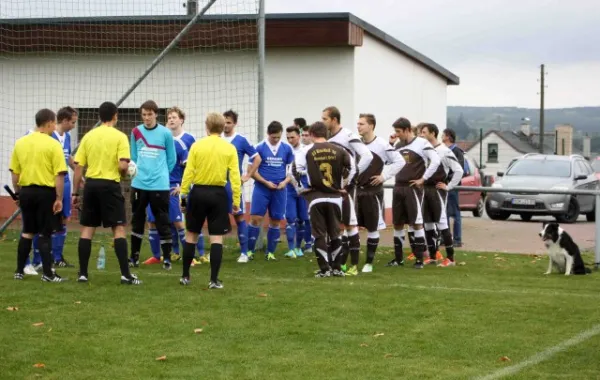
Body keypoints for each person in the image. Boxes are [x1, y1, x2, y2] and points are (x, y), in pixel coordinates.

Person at [72, 102, 141, 284]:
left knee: (87, 229)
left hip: (92, 186)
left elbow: (78, 167)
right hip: (110, 185)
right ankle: (125, 275)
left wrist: (75, 193)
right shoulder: (119, 137)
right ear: (115, 115)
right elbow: (122, 165)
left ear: (99, 116)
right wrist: (125, 173)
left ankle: (83, 274)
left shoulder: (88, 136)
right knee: (118, 228)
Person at [179, 112, 240, 288]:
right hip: (218, 195)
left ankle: (185, 276)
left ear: (206, 127)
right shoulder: (229, 148)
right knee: (216, 238)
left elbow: (188, 173)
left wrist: (183, 199)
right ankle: (213, 280)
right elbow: (235, 177)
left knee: (191, 234)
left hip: (198, 193)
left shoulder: (197, 146)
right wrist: (236, 200)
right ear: (222, 127)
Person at [10, 109, 68, 282]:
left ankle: (19, 271)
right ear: (50, 122)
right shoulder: (53, 144)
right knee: (44, 233)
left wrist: (18, 194)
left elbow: (15, 174)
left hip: (26, 191)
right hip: (45, 193)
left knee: (27, 231)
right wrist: (58, 198)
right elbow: (59, 175)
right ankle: (48, 274)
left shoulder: (21, 143)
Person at [294, 121, 352, 277]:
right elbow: (352, 168)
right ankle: (337, 268)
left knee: (319, 233)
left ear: (312, 135)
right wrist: (343, 185)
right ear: (326, 134)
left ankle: (325, 269)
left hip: (316, 197)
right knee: (335, 232)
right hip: (335, 197)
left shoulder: (306, 150)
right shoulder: (339, 150)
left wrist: (301, 189)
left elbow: (295, 170)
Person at [353, 113, 405, 274]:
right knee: (353, 227)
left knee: (372, 227)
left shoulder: (381, 144)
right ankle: (351, 261)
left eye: (362, 124)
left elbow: (400, 161)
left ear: (371, 126)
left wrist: (384, 176)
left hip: (373, 192)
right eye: (358, 123)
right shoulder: (357, 144)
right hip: (357, 191)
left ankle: (369, 262)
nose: (358, 126)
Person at [322, 106, 373, 269]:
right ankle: (339, 263)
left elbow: (367, 155)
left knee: (350, 225)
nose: (322, 122)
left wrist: (352, 175)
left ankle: (354, 265)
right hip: (332, 188)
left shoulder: (348, 135)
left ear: (334, 120)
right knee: (335, 225)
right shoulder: (326, 138)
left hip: (347, 188)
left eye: (325, 119)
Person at [387, 117, 441, 269]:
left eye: (398, 132)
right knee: (397, 223)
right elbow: (388, 162)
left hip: (413, 189)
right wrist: (390, 144)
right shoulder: (398, 144)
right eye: (395, 131)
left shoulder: (421, 143)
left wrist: (423, 179)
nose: (396, 134)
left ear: (407, 130)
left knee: (416, 223)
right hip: (398, 187)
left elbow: (436, 160)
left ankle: (419, 260)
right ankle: (398, 259)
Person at [129, 100, 176, 269]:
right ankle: (134, 257)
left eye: (150, 114)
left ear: (156, 114)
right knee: (137, 220)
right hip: (139, 184)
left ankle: (167, 258)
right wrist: (138, 174)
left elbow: (172, 159)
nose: (147, 118)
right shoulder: (135, 132)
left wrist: (161, 174)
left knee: (162, 221)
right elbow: (133, 157)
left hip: (159, 186)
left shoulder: (166, 133)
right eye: (144, 115)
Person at [144, 107, 190, 265]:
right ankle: (157, 256)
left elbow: (189, 168)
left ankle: (191, 257)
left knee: (179, 222)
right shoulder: (156, 142)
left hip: (174, 188)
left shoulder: (183, 143)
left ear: (181, 120)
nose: (171, 120)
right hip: (154, 187)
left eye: (174, 117)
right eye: (169, 117)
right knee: (152, 221)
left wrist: (183, 187)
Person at [247, 121, 295, 260]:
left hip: (280, 190)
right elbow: (251, 171)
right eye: (273, 137)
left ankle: (270, 253)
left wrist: (284, 183)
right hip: (262, 188)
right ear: (268, 134)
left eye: (278, 137)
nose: (276, 140)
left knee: (276, 220)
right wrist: (265, 182)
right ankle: (250, 251)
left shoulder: (287, 149)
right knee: (255, 219)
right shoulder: (258, 147)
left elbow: (290, 171)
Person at [420, 123, 463, 267]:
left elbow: (458, 170)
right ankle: (433, 256)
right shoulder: (423, 150)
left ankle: (450, 258)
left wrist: (449, 186)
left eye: (424, 132)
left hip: (437, 190)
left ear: (433, 133)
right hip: (425, 190)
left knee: (442, 222)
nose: (421, 135)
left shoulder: (444, 151)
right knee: (428, 223)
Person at [221, 109, 261, 264]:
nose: (225, 125)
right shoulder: (217, 138)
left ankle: (244, 252)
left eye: (229, 122)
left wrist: (247, 176)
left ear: (235, 123)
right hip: (217, 184)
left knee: (238, 216)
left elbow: (257, 158)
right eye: (224, 121)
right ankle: (217, 250)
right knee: (217, 217)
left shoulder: (241, 140)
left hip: (234, 185)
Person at [50, 106, 78, 268]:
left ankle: (58, 257)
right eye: (73, 122)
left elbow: (68, 158)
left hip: (66, 182)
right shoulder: (48, 135)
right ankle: (43, 257)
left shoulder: (66, 136)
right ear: (65, 120)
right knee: (49, 219)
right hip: (52, 184)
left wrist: (80, 175)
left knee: (64, 218)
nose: (74, 125)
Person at [283, 125, 309, 258]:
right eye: (287, 137)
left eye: (292, 137)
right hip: (289, 187)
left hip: (302, 185)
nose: (290, 140)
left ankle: (299, 247)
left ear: (299, 136)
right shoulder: (285, 150)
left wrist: (301, 172)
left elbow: (310, 169)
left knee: (302, 219)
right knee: (290, 218)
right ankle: (291, 248)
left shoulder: (306, 150)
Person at [442, 128, 466, 248]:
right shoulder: (444, 150)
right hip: (444, 186)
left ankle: (457, 239)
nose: (441, 136)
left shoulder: (457, 151)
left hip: (452, 186)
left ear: (448, 136)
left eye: (443, 134)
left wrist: (447, 180)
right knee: (444, 213)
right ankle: (445, 238)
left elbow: (460, 170)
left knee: (455, 213)